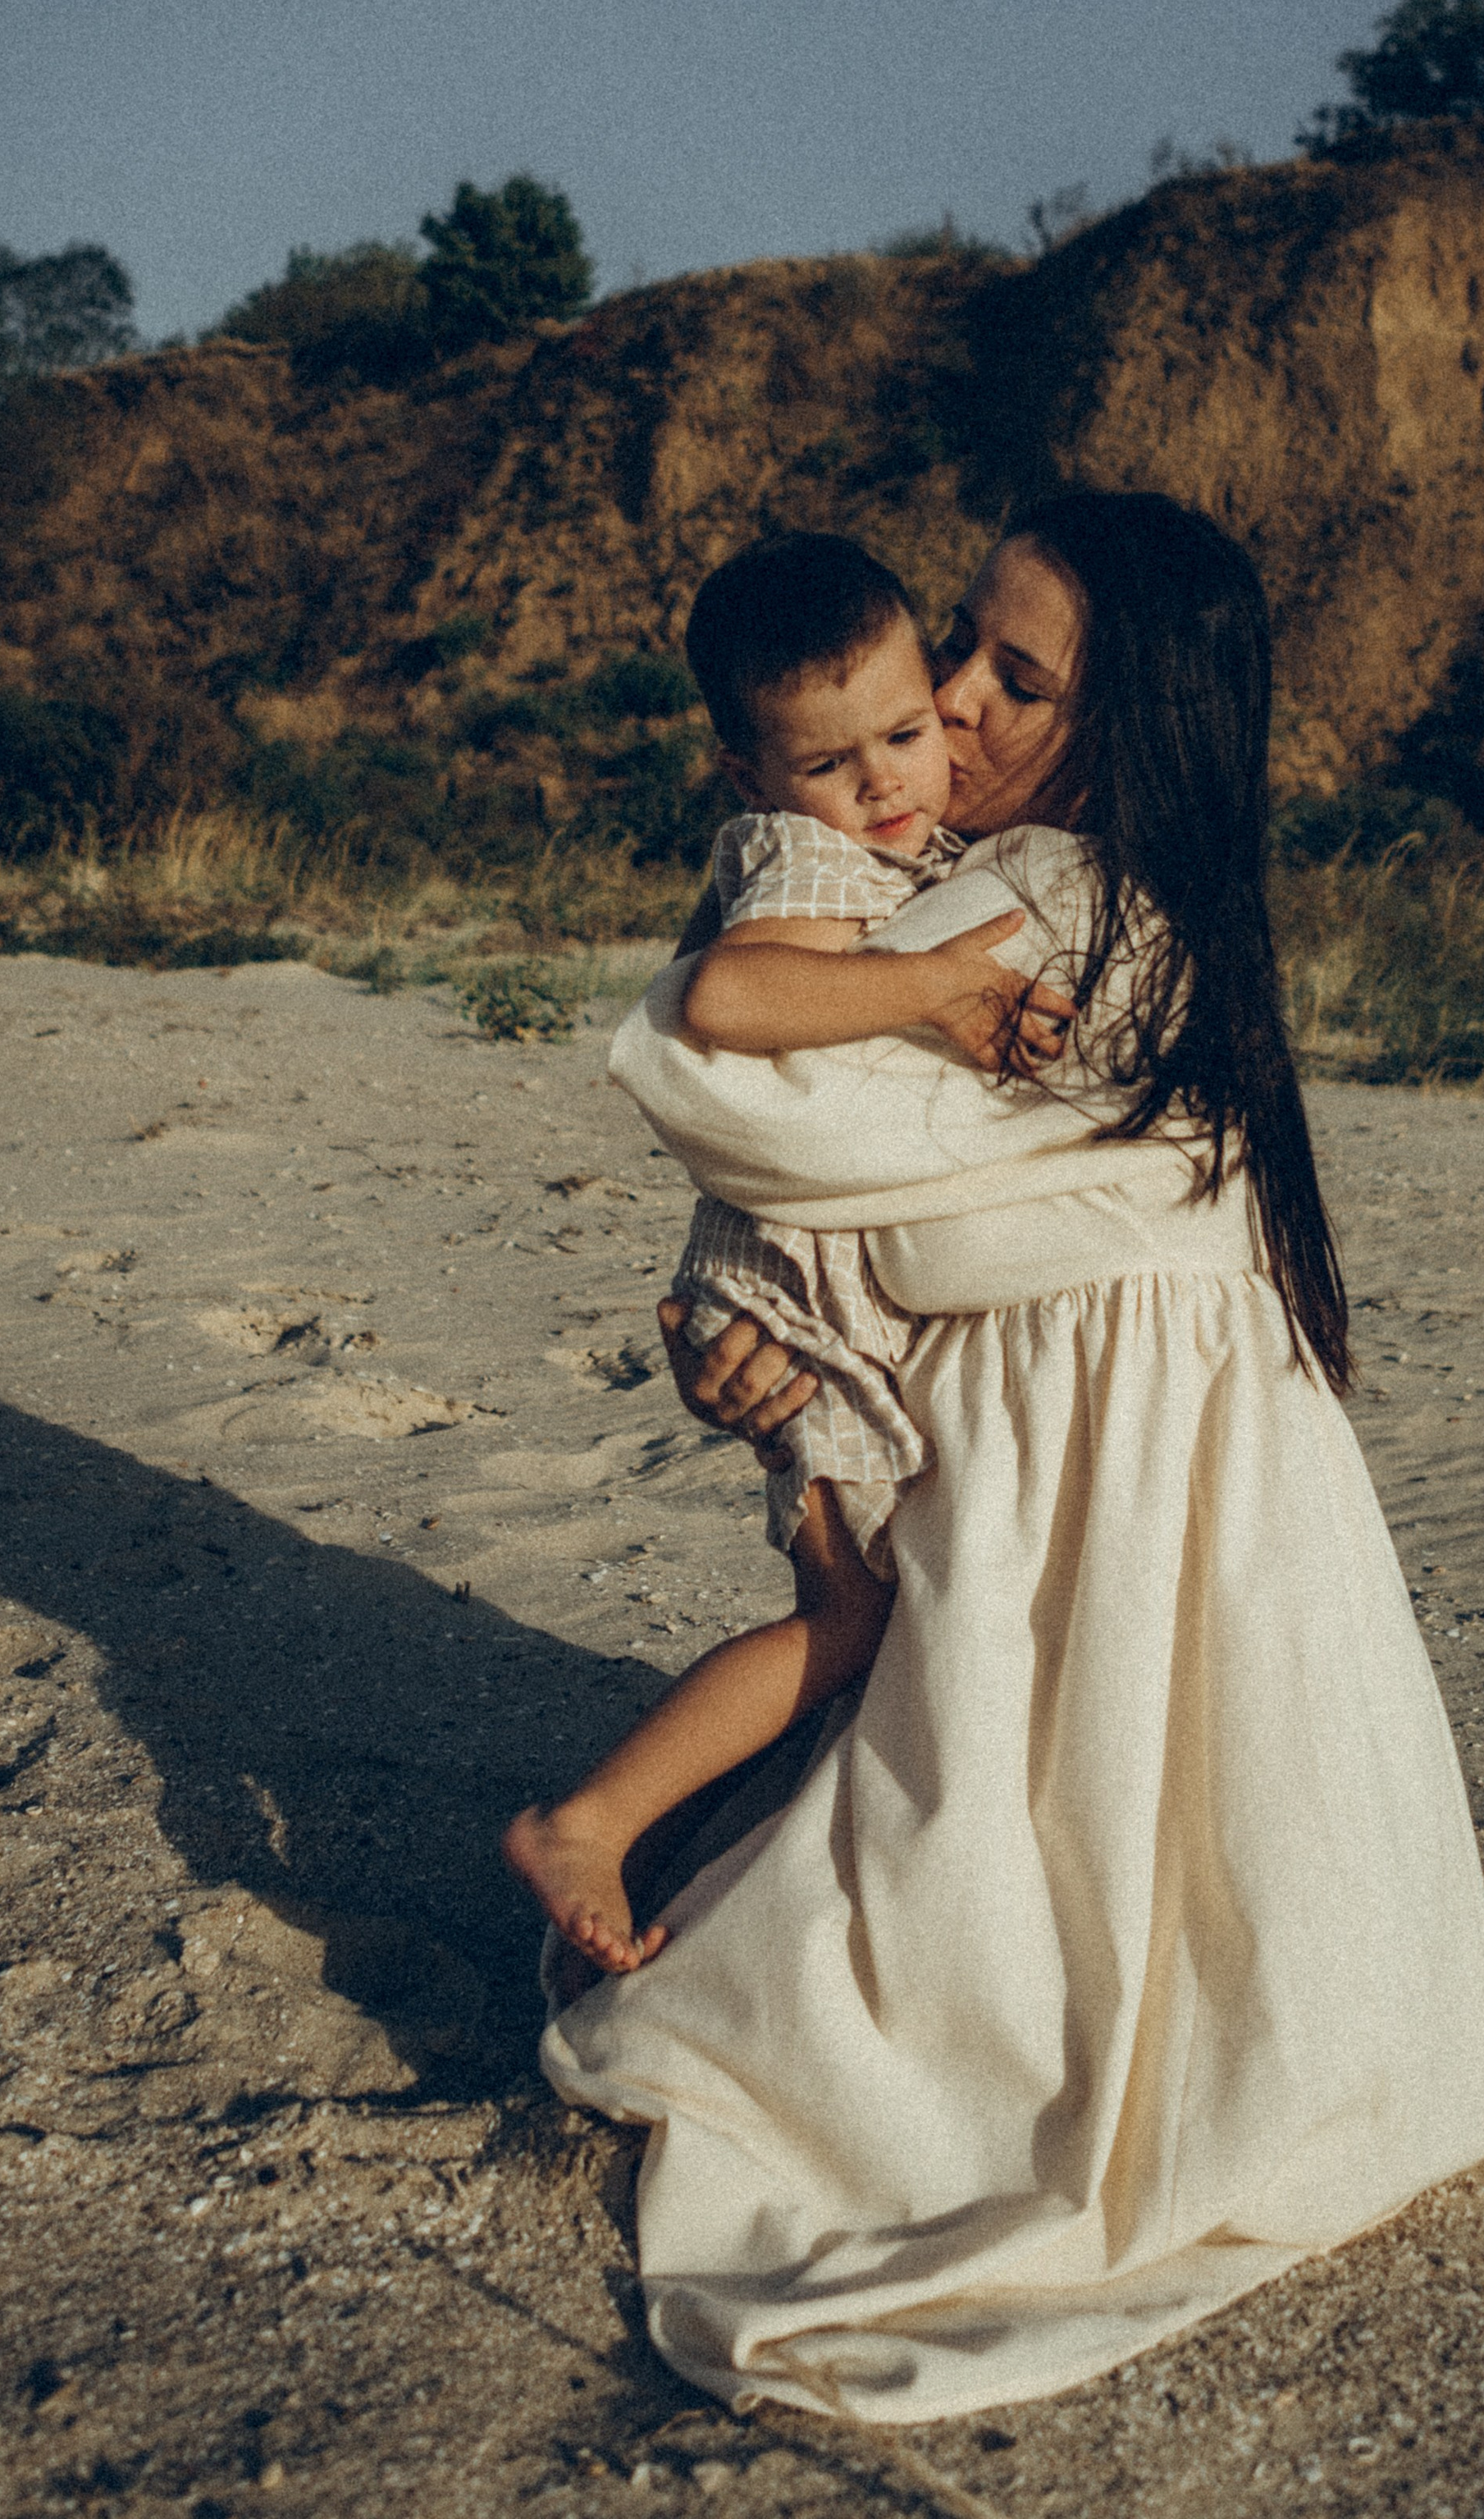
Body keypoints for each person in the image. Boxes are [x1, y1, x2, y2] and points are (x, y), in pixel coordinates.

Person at [534, 492, 1484, 2424]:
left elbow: (733, 1083)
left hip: (1108, 1437)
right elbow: (880, 1167)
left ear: (1126, 722)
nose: (952, 701)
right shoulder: (1071, 903)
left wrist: (764, 1289)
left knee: (1023, 1829)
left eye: (1016, 675)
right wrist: (760, 1325)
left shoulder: (1040, 906)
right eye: (959, 643)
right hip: (1158, 1436)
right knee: (1131, 1815)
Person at [504, 533, 1069, 1974]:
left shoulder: (910, 844)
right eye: (830, 763)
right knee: (853, 1613)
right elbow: (728, 997)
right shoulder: (799, 858)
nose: (885, 783)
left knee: (879, 1607)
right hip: (789, 1295)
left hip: (818, 1285)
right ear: (751, 778)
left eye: (903, 735)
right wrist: (935, 986)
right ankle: (594, 1821)